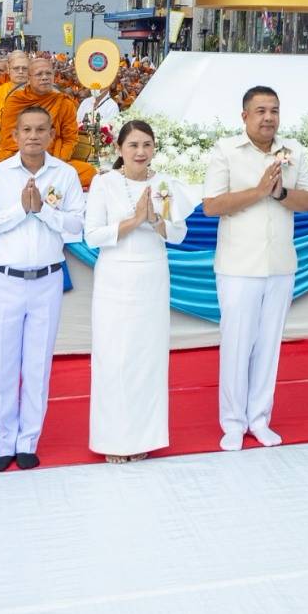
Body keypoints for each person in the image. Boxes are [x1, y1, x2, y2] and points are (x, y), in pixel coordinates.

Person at [0, 106, 86, 470]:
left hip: (48, 279)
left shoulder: (65, 175)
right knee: (4, 364)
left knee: (38, 365)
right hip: (6, 279)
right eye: (26, 130)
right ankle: (2, 442)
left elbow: (76, 228)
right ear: (15, 135)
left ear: (52, 135)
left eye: (41, 130)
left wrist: (43, 211)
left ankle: (28, 440)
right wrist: (20, 211)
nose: (34, 136)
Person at [202, 85, 308, 451]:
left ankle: (260, 418)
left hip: (281, 263)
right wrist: (260, 190)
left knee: (269, 346)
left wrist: (281, 193)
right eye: (261, 110)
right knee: (237, 345)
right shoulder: (227, 151)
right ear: (245, 116)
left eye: (274, 110)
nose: (269, 117)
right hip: (238, 265)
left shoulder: (294, 151)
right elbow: (211, 206)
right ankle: (233, 422)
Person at [85, 119, 197, 462]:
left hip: (151, 276)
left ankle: (143, 438)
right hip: (115, 277)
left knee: (147, 357)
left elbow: (178, 234)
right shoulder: (105, 184)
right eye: (133, 145)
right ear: (119, 149)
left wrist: (155, 221)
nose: (140, 151)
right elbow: (92, 236)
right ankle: (113, 441)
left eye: (147, 144)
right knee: (114, 356)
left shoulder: (165, 184)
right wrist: (134, 221)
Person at [0, 57, 93, 186]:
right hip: (20, 159)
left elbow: (70, 138)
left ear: (54, 76)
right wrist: (28, 161)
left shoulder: (64, 102)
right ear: (28, 79)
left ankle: (37, 181)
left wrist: (56, 164)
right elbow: (9, 139)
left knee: (89, 172)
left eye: (48, 73)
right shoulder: (15, 101)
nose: (45, 77)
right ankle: (43, 182)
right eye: (39, 74)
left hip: (52, 159)